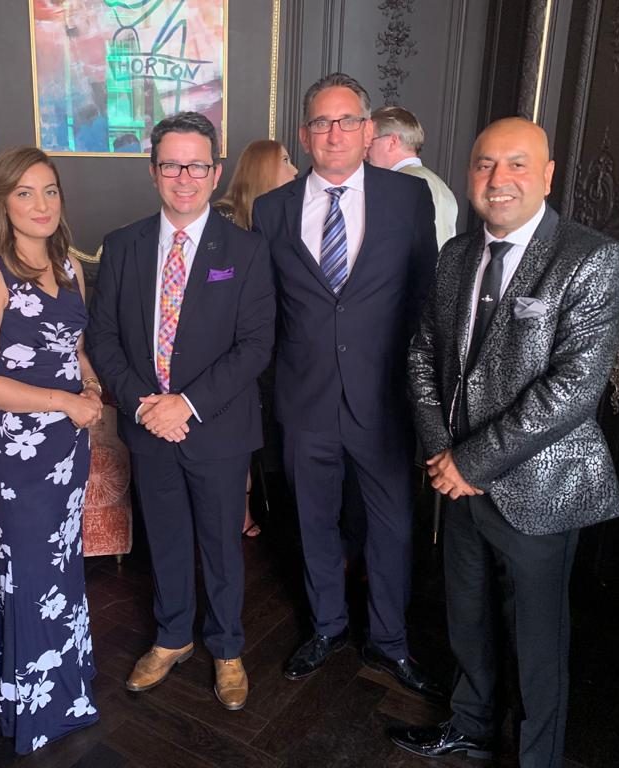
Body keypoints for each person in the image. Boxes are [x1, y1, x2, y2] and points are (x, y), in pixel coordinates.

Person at [393, 117, 619, 766]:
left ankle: (533, 758)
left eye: (517, 164)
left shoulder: (589, 258)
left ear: (547, 176)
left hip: (540, 489)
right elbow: (423, 354)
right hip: (458, 485)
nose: (499, 179)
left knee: (536, 644)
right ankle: (470, 726)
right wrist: (442, 454)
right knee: (466, 619)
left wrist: (469, 462)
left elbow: (573, 389)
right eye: (485, 164)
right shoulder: (455, 256)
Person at [251, 73, 440, 696]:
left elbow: (424, 298)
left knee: (391, 525)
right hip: (304, 401)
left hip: (383, 401)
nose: (334, 133)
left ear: (368, 130)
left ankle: (389, 641)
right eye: (321, 123)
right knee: (313, 521)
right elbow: (264, 312)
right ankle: (326, 626)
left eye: (347, 121)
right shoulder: (272, 209)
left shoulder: (407, 199)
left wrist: (421, 391)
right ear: (305, 135)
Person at [87, 112, 275, 711]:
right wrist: (146, 406)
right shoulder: (123, 245)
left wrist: (185, 405)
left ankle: (226, 647)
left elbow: (256, 345)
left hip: (217, 427)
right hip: (148, 425)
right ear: (153, 171)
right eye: (172, 165)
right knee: (164, 538)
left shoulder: (246, 250)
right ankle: (172, 637)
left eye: (197, 165)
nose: (185, 177)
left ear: (216, 172)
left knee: (221, 544)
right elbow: (103, 337)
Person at [0, 146, 102, 752]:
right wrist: (65, 401)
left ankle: (69, 696)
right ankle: (34, 711)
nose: (41, 204)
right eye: (25, 193)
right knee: (31, 568)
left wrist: (89, 385)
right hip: (19, 446)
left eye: (50, 191)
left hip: (68, 440)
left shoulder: (69, 264)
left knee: (62, 562)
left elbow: (74, 347)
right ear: (3, 202)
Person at [214, 138, 298, 537]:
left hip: (270, 343)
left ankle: (256, 503)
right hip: (228, 349)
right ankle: (239, 508)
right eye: (286, 161)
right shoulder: (225, 217)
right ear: (264, 168)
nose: (295, 170)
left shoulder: (281, 218)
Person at [367, 106, 458, 250]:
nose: (364, 150)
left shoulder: (396, 186)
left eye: (369, 141)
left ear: (392, 142)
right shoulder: (442, 187)